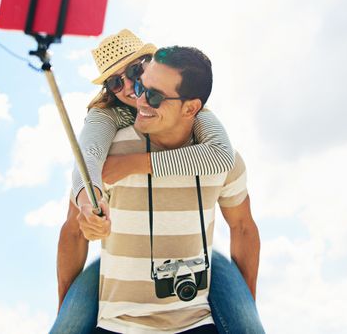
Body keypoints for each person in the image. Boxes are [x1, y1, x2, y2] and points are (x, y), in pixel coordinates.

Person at [53, 44, 265, 333]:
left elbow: (223, 160)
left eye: (134, 74)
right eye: (115, 82)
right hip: (119, 297)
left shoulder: (204, 126)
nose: (131, 90)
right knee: (68, 322)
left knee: (247, 322)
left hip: (197, 283)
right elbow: (87, 157)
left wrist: (134, 165)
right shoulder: (106, 121)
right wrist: (88, 202)